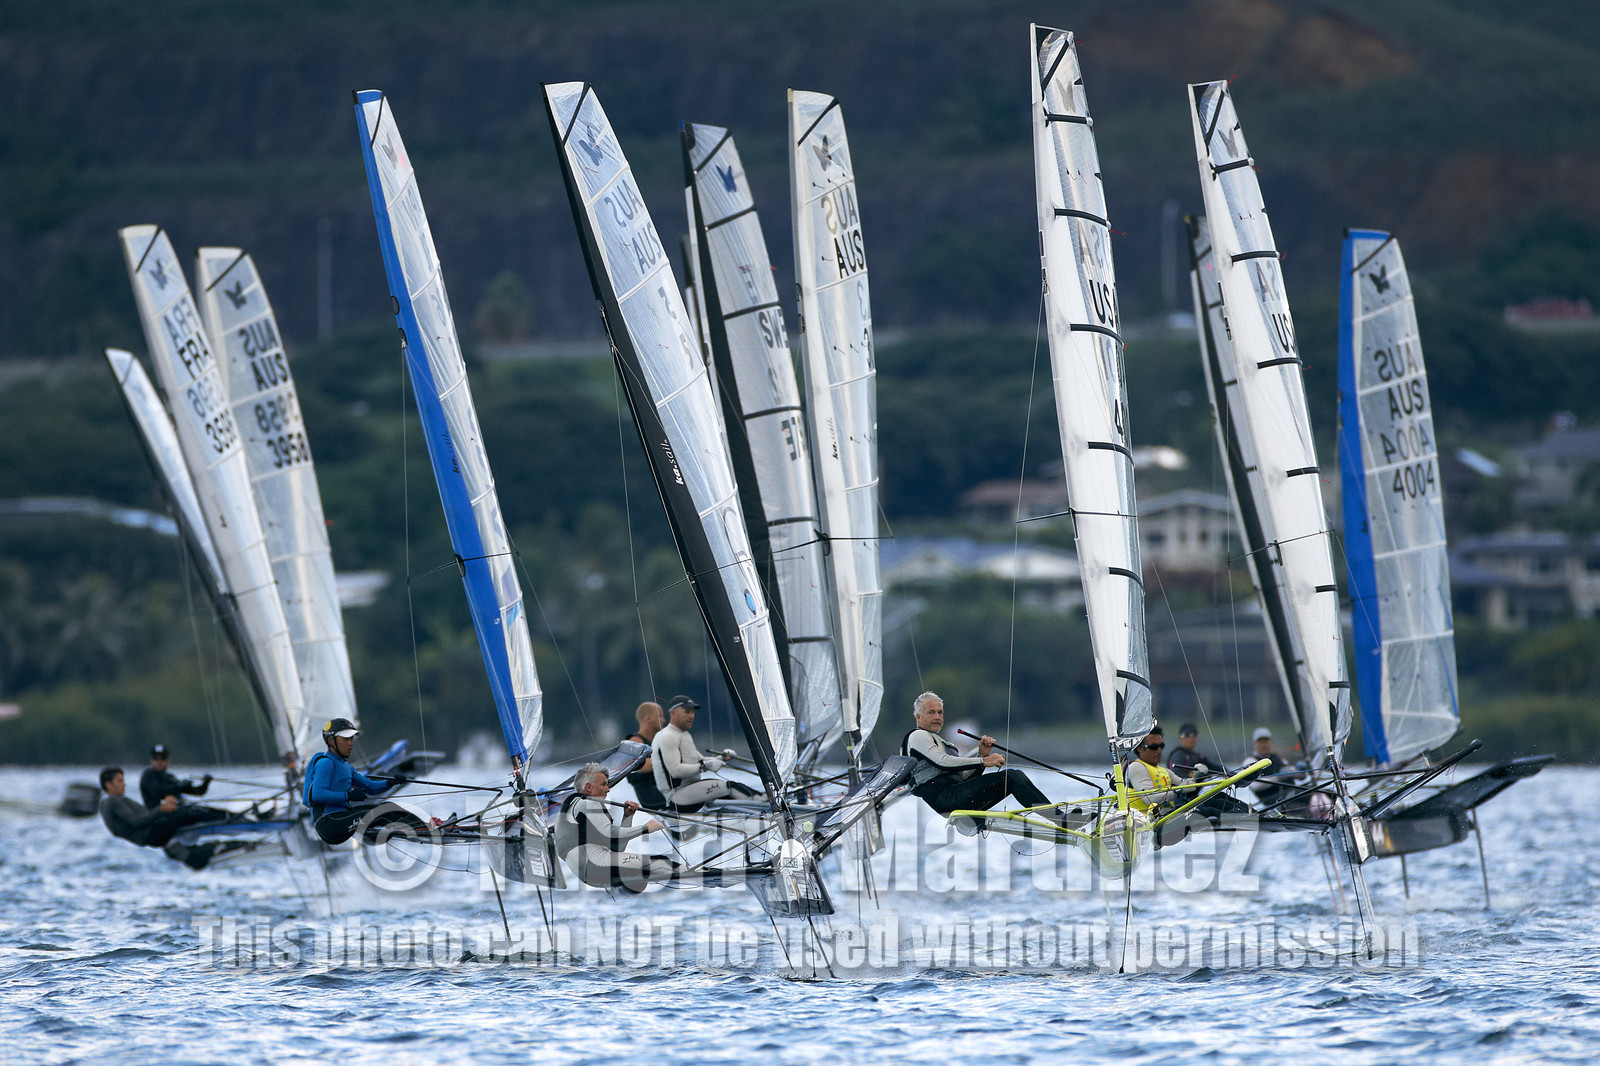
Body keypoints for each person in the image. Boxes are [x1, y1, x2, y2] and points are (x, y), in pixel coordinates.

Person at [899, 691, 1061, 819]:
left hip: (956, 795)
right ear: (918, 717)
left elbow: (963, 777)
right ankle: (1060, 819)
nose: (937, 717)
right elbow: (943, 762)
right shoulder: (917, 736)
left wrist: (980, 752)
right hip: (947, 799)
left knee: (1015, 776)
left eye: (940, 713)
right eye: (931, 712)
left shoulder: (937, 741)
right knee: (1011, 777)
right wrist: (984, 760)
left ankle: (1059, 817)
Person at [555, 762, 685, 891]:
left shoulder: (575, 808)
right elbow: (610, 833)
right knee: (661, 863)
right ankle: (699, 873)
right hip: (595, 863)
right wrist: (645, 828)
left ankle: (685, 873)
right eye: (603, 784)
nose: (608, 789)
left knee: (648, 871)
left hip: (589, 874)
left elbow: (618, 847)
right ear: (588, 788)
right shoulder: (588, 804)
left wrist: (627, 816)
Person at [98, 766, 231, 870]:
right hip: (151, 834)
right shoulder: (112, 802)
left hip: (153, 832)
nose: (124, 784)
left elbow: (145, 814)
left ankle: (229, 820)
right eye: (119, 781)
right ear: (109, 785)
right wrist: (161, 809)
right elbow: (136, 822)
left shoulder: (113, 801)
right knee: (193, 812)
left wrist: (165, 806)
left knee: (192, 810)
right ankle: (233, 818)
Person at [302, 718, 411, 845]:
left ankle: (427, 826)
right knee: (382, 813)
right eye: (345, 739)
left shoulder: (346, 767)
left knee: (389, 807)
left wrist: (391, 783)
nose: (350, 743)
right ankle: (415, 828)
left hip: (343, 816)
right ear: (331, 741)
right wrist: (348, 795)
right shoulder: (325, 763)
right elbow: (317, 795)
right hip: (328, 823)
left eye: (351, 739)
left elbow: (370, 787)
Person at [651, 695, 759, 812]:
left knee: (738, 786)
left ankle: (765, 802)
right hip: (677, 796)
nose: (691, 716)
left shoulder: (684, 735)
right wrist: (706, 767)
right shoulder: (667, 736)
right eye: (687, 712)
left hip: (690, 789)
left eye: (692, 712)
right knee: (731, 788)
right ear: (673, 713)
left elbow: (700, 761)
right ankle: (766, 810)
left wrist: (722, 758)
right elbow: (675, 771)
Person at [1117, 728, 1175, 812]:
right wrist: (1178, 792)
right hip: (1140, 821)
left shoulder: (1164, 771)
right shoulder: (1136, 767)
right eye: (1153, 747)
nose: (1159, 751)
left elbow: (1186, 784)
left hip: (1167, 815)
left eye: (1161, 746)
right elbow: (1150, 798)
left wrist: (1197, 777)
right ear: (1139, 748)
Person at [140, 743, 213, 809]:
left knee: (209, 811)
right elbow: (158, 792)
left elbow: (198, 792)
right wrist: (179, 786)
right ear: (151, 761)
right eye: (156, 759)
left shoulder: (169, 777)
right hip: (159, 816)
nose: (159, 762)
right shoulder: (148, 775)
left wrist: (205, 783)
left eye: (163, 758)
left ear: (168, 761)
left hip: (177, 812)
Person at [624, 701, 667, 809]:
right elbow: (638, 766)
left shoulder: (659, 741)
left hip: (664, 789)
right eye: (660, 716)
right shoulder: (635, 741)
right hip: (650, 796)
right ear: (648, 719)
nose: (663, 720)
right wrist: (671, 760)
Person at [1244, 727, 1292, 808]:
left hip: (1288, 797)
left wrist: (1300, 772)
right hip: (1269, 802)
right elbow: (1254, 785)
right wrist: (1277, 778)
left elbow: (1297, 775)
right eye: (1260, 742)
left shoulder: (1279, 759)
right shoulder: (1250, 761)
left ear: (1271, 742)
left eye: (1266, 741)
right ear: (1254, 744)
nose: (1263, 745)